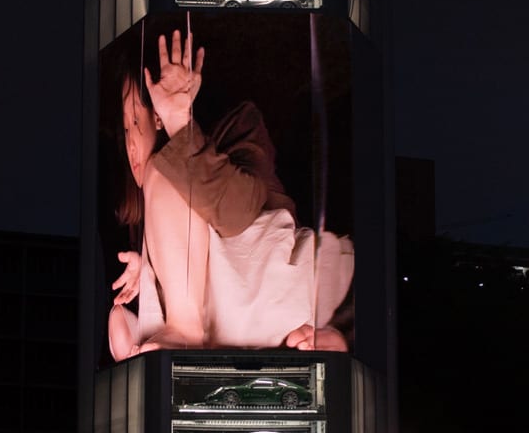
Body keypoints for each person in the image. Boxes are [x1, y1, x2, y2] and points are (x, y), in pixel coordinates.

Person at [108, 27, 354, 360]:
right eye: (124, 130)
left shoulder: (237, 128)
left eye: (135, 121)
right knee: (124, 316)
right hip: (236, 338)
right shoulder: (146, 207)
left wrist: (180, 123)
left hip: (266, 300)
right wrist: (149, 266)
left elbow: (240, 211)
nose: (131, 144)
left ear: (159, 117)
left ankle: (183, 332)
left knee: (165, 171)